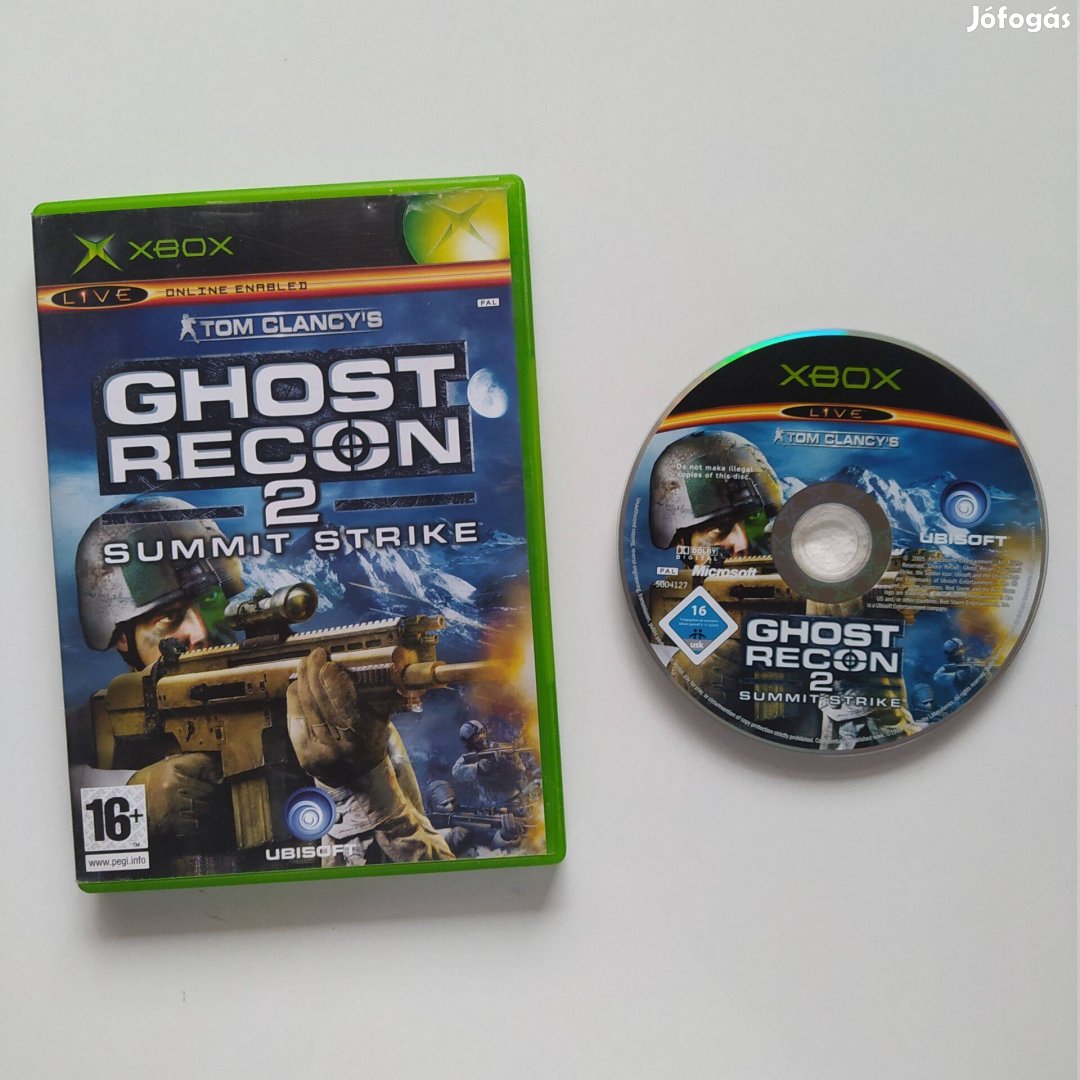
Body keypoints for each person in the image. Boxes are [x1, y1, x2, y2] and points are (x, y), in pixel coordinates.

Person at [73, 495, 451, 864]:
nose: (200, 632)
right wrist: (135, 799)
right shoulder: (90, 736)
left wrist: (363, 785)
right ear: (122, 639)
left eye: (211, 602)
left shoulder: (341, 716)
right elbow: (59, 842)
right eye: (167, 619)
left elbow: (431, 867)